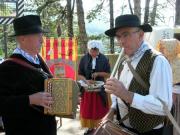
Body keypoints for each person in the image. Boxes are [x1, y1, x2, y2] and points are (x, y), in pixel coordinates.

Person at [103, 14, 173, 135]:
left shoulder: (157, 61)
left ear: (141, 35)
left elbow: (163, 107)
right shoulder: (123, 61)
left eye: (126, 34)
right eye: (118, 37)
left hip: (148, 131)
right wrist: (112, 110)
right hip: (123, 127)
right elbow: (117, 95)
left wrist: (126, 94)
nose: (121, 41)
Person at [0, 15, 56, 135]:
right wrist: (30, 99)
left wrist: (67, 98)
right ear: (22, 39)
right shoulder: (7, 67)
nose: (42, 40)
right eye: (38, 36)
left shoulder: (39, 60)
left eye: (42, 36)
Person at [78, 40, 111, 135]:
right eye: (91, 50)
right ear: (89, 49)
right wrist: (85, 80)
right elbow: (80, 74)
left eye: (95, 51)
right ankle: (90, 127)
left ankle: (101, 127)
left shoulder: (104, 59)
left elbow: (108, 74)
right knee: (88, 110)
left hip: (100, 90)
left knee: (99, 110)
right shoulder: (84, 59)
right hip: (87, 90)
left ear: (99, 50)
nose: (93, 53)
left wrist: (98, 73)